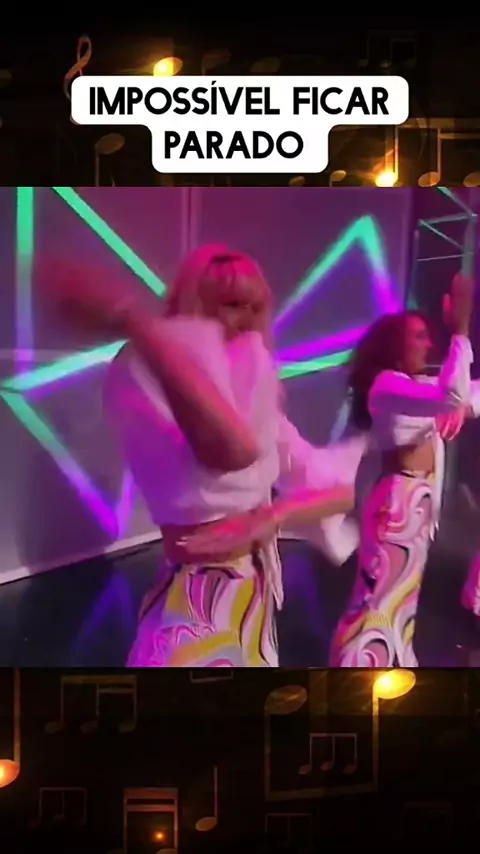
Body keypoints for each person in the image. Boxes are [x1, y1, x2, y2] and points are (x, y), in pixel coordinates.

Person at [41, 244, 365, 667]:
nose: (246, 319)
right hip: (194, 609)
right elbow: (231, 451)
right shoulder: (143, 368)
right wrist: (138, 324)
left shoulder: (252, 393)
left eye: (256, 307)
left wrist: (272, 517)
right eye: (231, 304)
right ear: (194, 304)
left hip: (252, 606)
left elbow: (337, 489)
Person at [329, 272, 475, 668]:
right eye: (419, 337)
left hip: (415, 509)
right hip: (397, 509)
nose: (429, 344)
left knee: (399, 602)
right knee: (375, 601)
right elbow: (452, 393)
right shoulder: (385, 386)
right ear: (395, 346)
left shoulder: (417, 386)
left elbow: (464, 394)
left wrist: (459, 404)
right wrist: (461, 327)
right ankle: (352, 668)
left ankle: (389, 664)